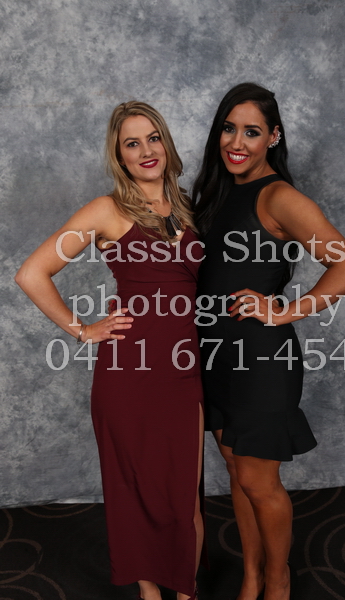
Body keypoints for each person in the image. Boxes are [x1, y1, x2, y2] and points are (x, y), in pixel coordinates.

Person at [15, 101, 204, 600]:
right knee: (134, 492)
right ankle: (150, 594)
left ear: (166, 143)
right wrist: (83, 330)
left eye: (153, 138)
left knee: (184, 499)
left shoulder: (188, 206)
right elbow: (31, 273)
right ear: (119, 156)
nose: (146, 151)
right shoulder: (107, 210)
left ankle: (186, 594)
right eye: (131, 143)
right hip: (129, 373)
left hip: (184, 370)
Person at [192, 82, 345, 600]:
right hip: (215, 358)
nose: (236, 142)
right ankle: (251, 577)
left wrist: (285, 311)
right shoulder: (219, 193)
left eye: (251, 131)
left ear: (273, 136)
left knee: (260, 483)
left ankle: (278, 581)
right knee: (237, 474)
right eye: (229, 128)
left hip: (261, 361)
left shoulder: (279, 197)